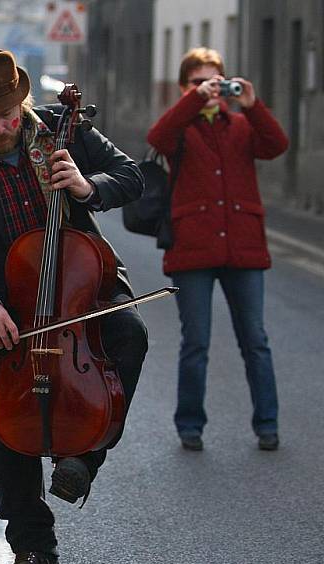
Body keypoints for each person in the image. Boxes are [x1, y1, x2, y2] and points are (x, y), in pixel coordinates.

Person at [0, 48, 147, 564]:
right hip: (3, 310)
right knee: (6, 432)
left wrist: (87, 187)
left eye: (7, 114)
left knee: (129, 335)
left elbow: (131, 176)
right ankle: (33, 550)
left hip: (75, 294)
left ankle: (84, 458)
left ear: (22, 104)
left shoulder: (65, 134)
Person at [147, 47, 288, 452]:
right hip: (192, 249)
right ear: (183, 87)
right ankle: (189, 425)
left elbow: (276, 145)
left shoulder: (242, 125)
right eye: (197, 82)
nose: (208, 89)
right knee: (196, 342)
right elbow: (156, 137)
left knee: (255, 340)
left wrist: (253, 104)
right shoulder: (181, 129)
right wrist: (194, 100)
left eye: (214, 81)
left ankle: (267, 423)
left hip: (243, 248)